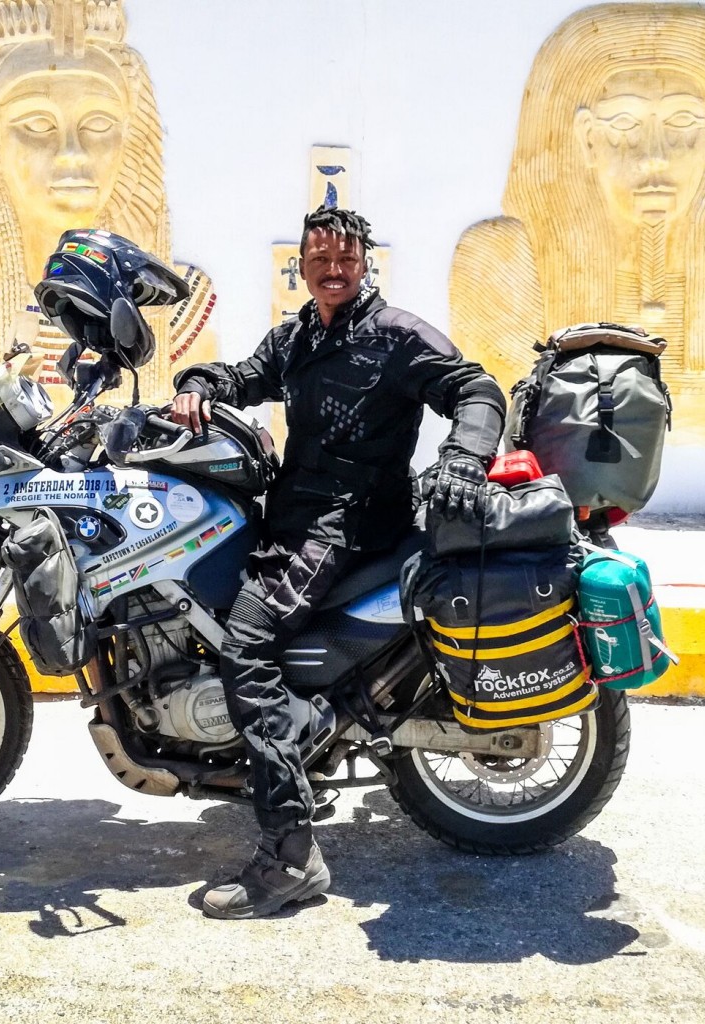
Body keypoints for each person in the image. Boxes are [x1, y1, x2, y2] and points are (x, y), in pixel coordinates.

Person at [170, 206, 506, 919]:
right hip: (291, 515)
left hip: (343, 525)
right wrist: (198, 385)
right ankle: (293, 735)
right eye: (319, 259)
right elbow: (241, 375)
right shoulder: (297, 339)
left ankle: (290, 856)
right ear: (302, 262)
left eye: (345, 260)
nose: (332, 270)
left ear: (365, 263)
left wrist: (465, 457)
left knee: (248, 644)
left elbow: (475, 389)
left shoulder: (395, 338)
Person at [0, 0, 215, 447]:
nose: (72, 153)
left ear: (130, 134)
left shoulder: (186, 304)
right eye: (37, 123)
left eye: (98, 123)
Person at [449, 2, 705, 444]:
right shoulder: (497, 261)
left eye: (681, 122)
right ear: (587, 138)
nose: (654, 155)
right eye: (624, 124)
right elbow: (507, 391)